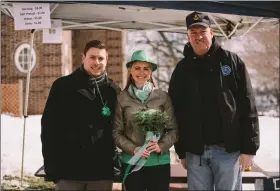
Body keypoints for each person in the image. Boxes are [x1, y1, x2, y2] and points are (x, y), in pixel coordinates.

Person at [168, 11, 260, 190]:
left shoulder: (232, 62)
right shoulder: (182, 69)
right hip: (196, 153)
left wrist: (249, 148)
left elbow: (248, 105)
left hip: (228, 151)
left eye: (202, 31)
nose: (198, 36)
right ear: (188, 36)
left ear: (211, 32)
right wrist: (181, 150)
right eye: (193, 33)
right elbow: (175, 111)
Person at [41, 40, 120, 191]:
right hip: (68, 170)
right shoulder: (62, 86)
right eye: (92, 57)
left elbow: (118, 131)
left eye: (101, 58)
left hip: (101, 171)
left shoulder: (113, 90)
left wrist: (116, 170)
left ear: (107, 60)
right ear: (83, 58)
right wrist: (51, 167)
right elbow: (49, 129)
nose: (96, 62)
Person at [112, 50, 178, 191]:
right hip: (131, 162)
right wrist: (133, 149)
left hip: (159, 162)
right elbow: (116, 132)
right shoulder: (121, 98)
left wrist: (161, 145)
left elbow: (173, 129)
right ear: (130, 70)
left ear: (151, 72)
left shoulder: (163, 97)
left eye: (146, 69)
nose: (141, 72)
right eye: (137, 68)